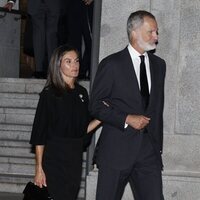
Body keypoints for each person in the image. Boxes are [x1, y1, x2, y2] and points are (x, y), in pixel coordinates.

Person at [89, 10, 166, 200]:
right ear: (134, 32)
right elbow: (95, 106)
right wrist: (126, 118)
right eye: (151, 32)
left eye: (157, 32)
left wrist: (157, 147)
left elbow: (157, 108)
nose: (156, 36)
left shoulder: (159, 65)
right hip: (117, 149)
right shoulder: (112, 64)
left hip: (148, 152)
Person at [29, 44, 101, 200]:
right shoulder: (49, 94)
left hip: (74, 157)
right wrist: (39, 168)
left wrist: (102, 117)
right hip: (54, 157)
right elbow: (39, 133)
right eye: (68, 61)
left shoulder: (82, 93)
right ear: (58, 64)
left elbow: (83, 129)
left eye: (76, 61)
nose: (74, 65)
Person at [4, 0, 63, 78]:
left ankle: (52, 70)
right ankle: (39, 71)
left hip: (53, 3)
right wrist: (11, 1)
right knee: (38, 35)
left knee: (51, 35)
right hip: (36, 3)